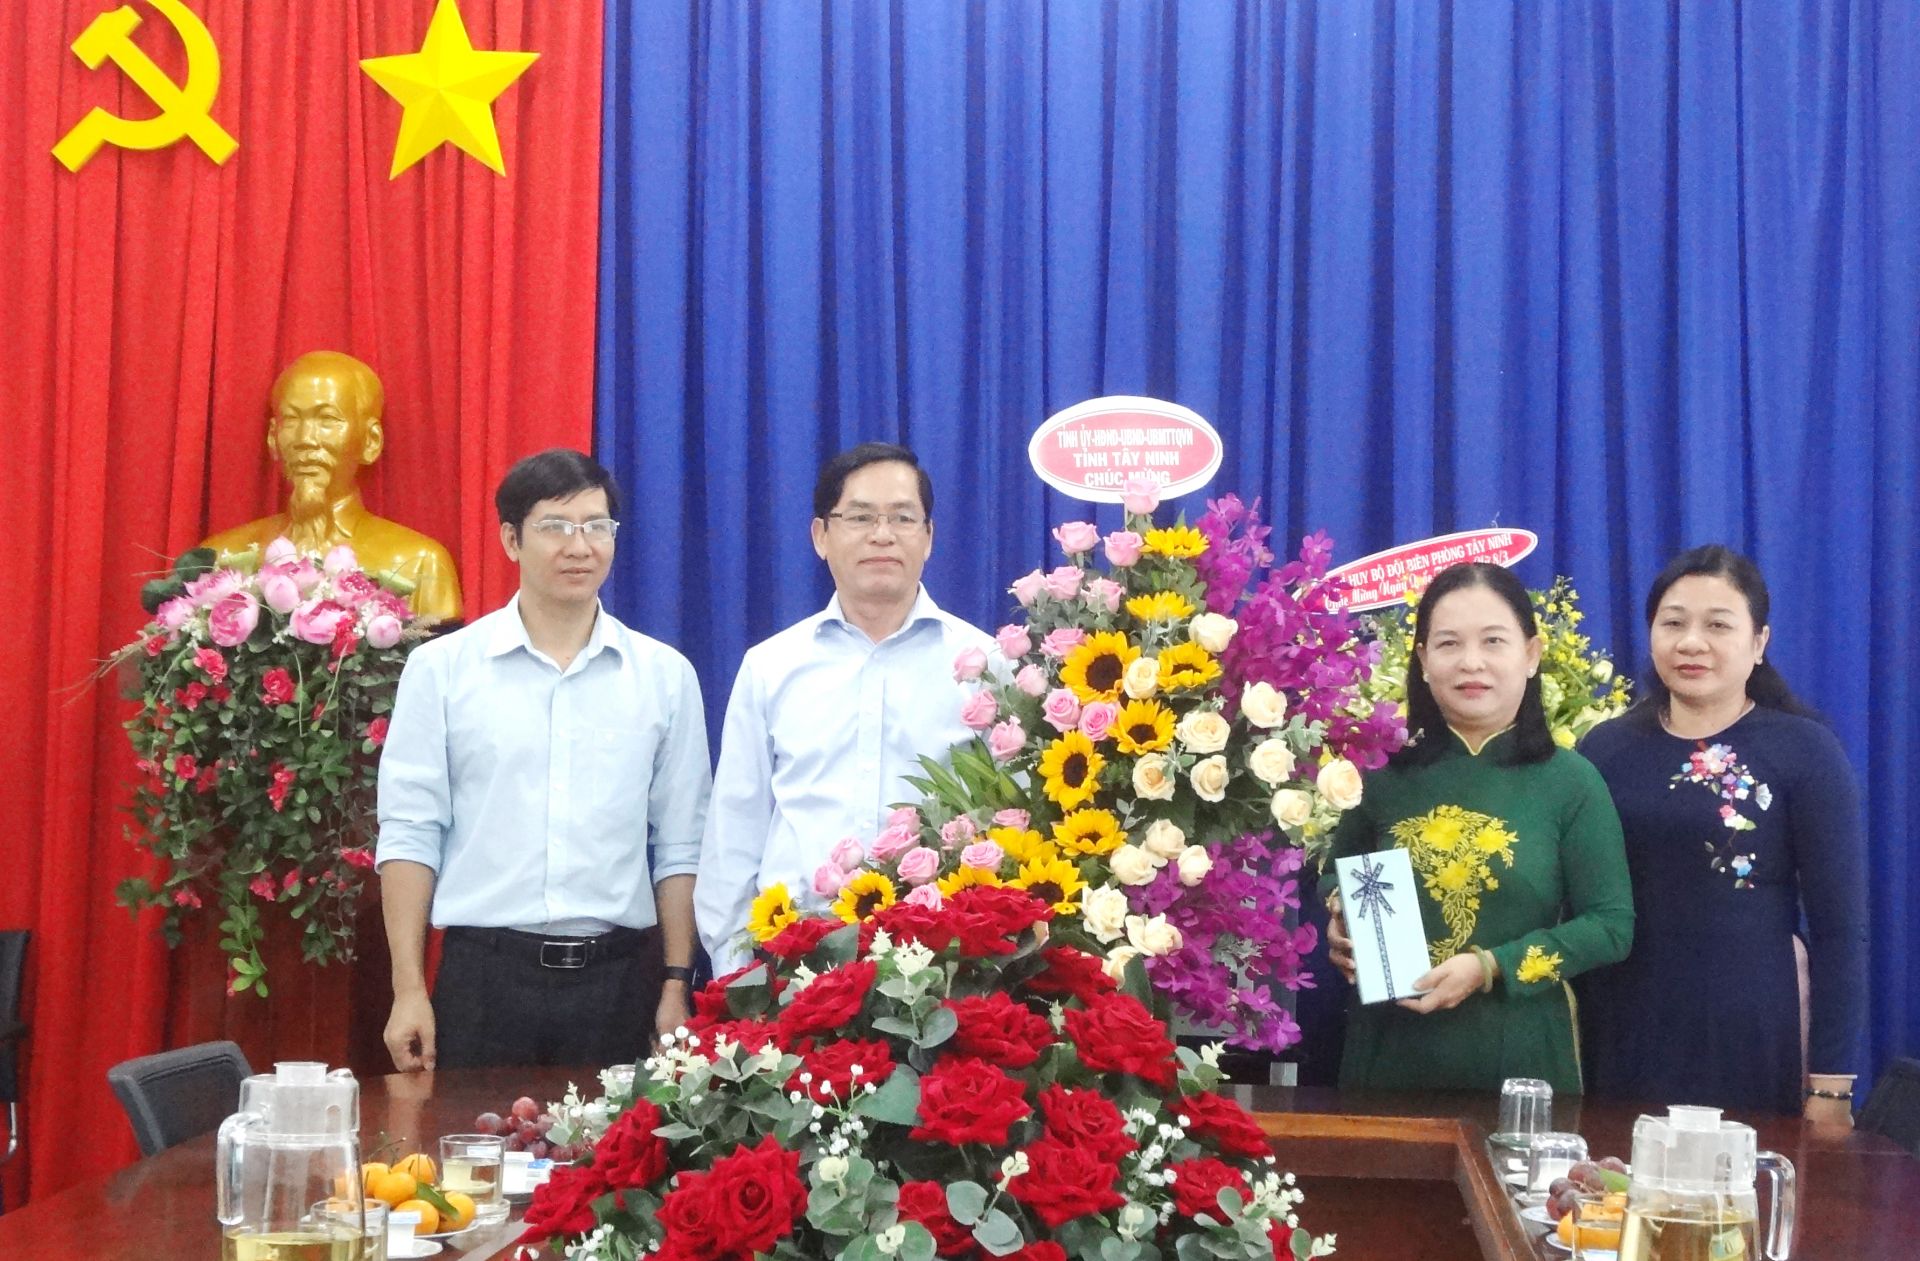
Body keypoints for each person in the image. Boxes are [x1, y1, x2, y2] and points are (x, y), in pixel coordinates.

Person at [375, 449, 710, 1070]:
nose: (579, 546)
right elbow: (410, 832)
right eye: (556, 526)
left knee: (618, 1137)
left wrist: (675, 981)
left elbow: (681, 843)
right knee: (469, 1137)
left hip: (619, 982)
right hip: (484, 977)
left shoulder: (665, 677)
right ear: (511, 539)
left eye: (596, 526)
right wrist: (408, 989)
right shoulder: (441, 670)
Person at [1578, 546, 1866, 1121]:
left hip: (1747, 1032)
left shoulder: (1805, 750)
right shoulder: (1605, 749)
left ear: (1759, 642)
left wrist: (1831, 1085)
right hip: (1619, 1026)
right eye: (1673, 623)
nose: (1691, 643)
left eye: (1718, 625)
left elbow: (1840, 930)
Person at [1324, 562, 1633, 1094]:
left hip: (1522, 1059)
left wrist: (1492, 966)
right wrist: (1339, 916)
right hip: (1388, 1051)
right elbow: (1338, 873)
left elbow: (1610, 927)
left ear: (1530, 655)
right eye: (1449, 644)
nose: (1472, 662)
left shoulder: (1571, 781)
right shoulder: (1381, 773)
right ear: (1423, 660)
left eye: (1493, 641)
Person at [696, 442, 994, 972]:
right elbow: (734, 835)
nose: (882, 534)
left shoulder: (985, 665)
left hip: (942, 959)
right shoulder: (771, 666)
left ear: (929, 537)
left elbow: (1011, 824)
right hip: (794, 959)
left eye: (902, 517)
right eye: (859, 517)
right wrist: (736, 976)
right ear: (821, 536)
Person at [203, 350, 462, 622]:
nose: (305, 439)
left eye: (327, 420)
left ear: (371, 441)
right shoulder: (221, 560)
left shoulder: (420, 565)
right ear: (272, 438)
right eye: (291, 419)